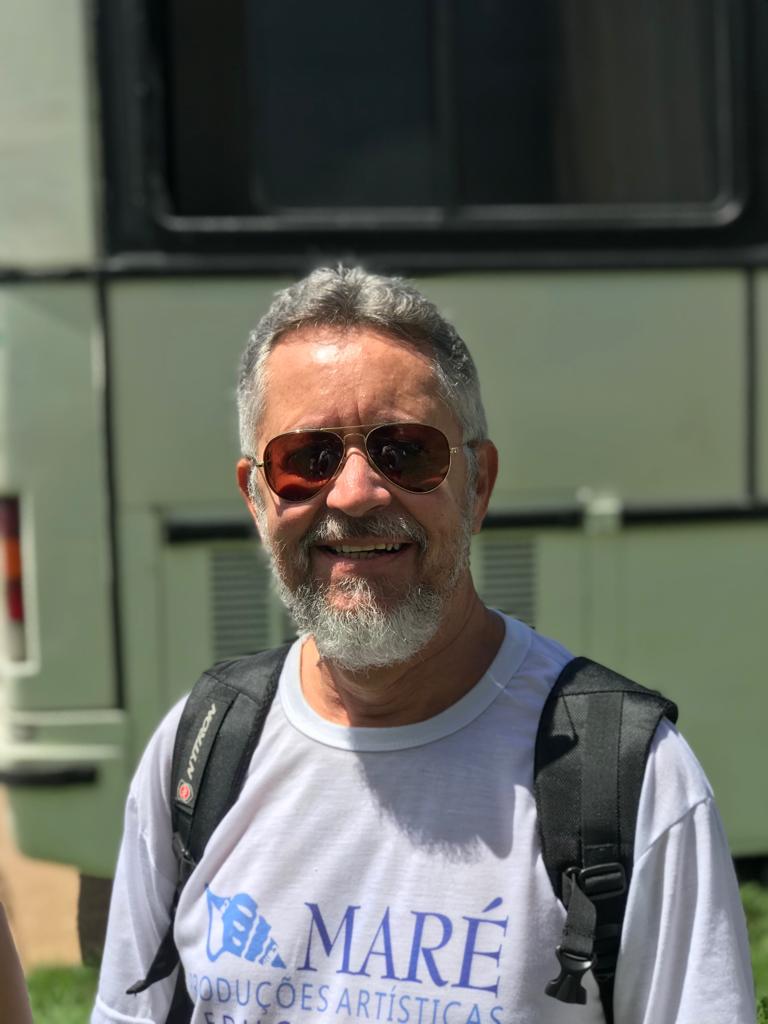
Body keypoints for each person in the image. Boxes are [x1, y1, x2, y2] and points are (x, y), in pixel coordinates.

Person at [92, 267, 754, 1024]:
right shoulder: (198, 750)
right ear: (255, 496)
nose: (354, 494)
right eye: (306, 460)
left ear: (480, 484)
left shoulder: (632, 778)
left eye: (405, 452)